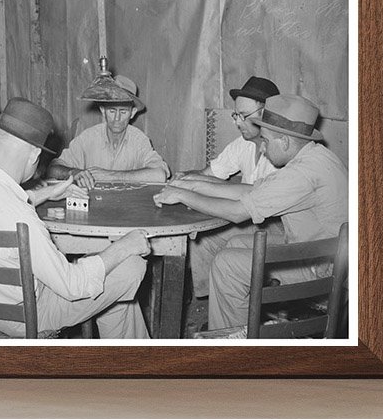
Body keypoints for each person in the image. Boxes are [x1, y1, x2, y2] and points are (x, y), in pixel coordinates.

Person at [0, 97, 152, 338]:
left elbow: (3, 205)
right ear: (34, 155)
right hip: (28, 317)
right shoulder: (24, 220)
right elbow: (73, 286)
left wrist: (50, 192)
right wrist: (125, 245)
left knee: (106, 275)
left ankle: (126, 355)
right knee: (131, 265)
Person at [153, 93, 347, 331]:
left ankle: (233, 345)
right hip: (324, 253)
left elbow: (237, 212)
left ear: (285, 141)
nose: (262, 148)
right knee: (236, 242)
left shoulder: (302, 173)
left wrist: (183, 195)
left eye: (265, 140)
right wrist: (195, 185)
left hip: (323, 270)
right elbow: (255, 190)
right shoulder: (313, 156)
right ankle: (237, 320)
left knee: (227, 265)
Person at [169, 75, 280, 297]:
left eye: (243, 116)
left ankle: (248, 301)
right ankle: (212, 299)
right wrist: (187, 177)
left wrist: (190, 189)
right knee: (202, 240)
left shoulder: (281, 151)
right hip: (252, 218)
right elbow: (211, 174)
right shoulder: (243, 144)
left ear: (267, 116)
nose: (237, 122)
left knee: (228, 246)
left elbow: (249, 200)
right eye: (235, 115)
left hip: (278, 227)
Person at [48, 74, 169, 188]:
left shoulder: (138, 139)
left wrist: (108, 175)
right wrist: (74, 172)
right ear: (103, 111)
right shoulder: (88, 138)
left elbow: (160, 175)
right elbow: (52, 169)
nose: (117, 118)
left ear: (132, 113)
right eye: (112, 111)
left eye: (123, 112)